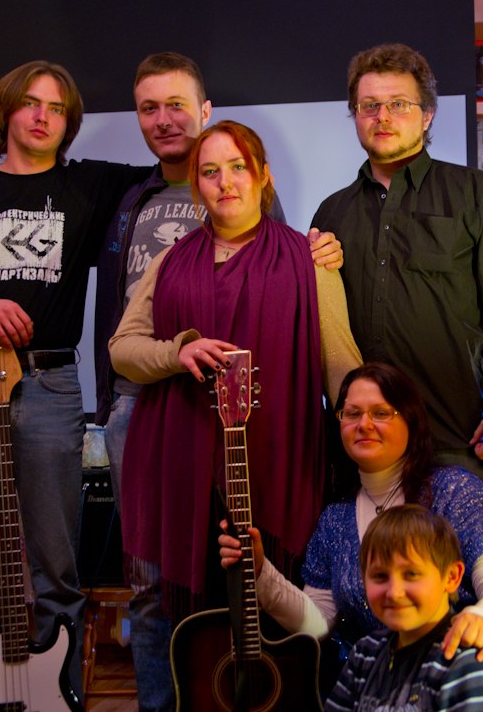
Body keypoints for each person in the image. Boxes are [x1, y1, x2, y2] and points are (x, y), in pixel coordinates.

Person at [0, 59, 151, 710]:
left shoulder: (92, 185)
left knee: (56, 568)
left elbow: (175, 169)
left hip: (51, 383)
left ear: (69, 123)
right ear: (6, 111)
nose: (43, 116)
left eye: (57, 108)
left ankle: (55, 701)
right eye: (31, 103)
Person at [109, 120, 362, 711]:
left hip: (276, 459)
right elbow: (123, 348)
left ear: (263, 175)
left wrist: (375, 436)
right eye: (210, 171)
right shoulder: (170, 261)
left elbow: (340, 366)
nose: (225, 182)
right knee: (171, 609)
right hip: (178, 460)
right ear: (197, 185)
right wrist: (178, 352)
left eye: (238, 167)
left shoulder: (309, 258)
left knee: (271, 597)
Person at [219, 363, 483, 709]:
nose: (364, 424)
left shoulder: (455, 491)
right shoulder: (335, 519)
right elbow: (317, 624)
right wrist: (260, 572)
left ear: (411, 421)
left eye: (381, 413)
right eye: (352, 413)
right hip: (397, 692)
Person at [311, 43, 483, 491]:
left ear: (428, 115)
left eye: (399, 104)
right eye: (369, 106)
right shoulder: (331, 213)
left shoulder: (477, 195)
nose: (382, 117)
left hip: (456, 441)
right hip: (361, 450)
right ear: (355, 115)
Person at [325, 505, 483, 711]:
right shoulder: (365, 653)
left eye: (411, 574)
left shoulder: (474, 665)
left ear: (451, 577)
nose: (394, 592)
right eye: (380, 576)